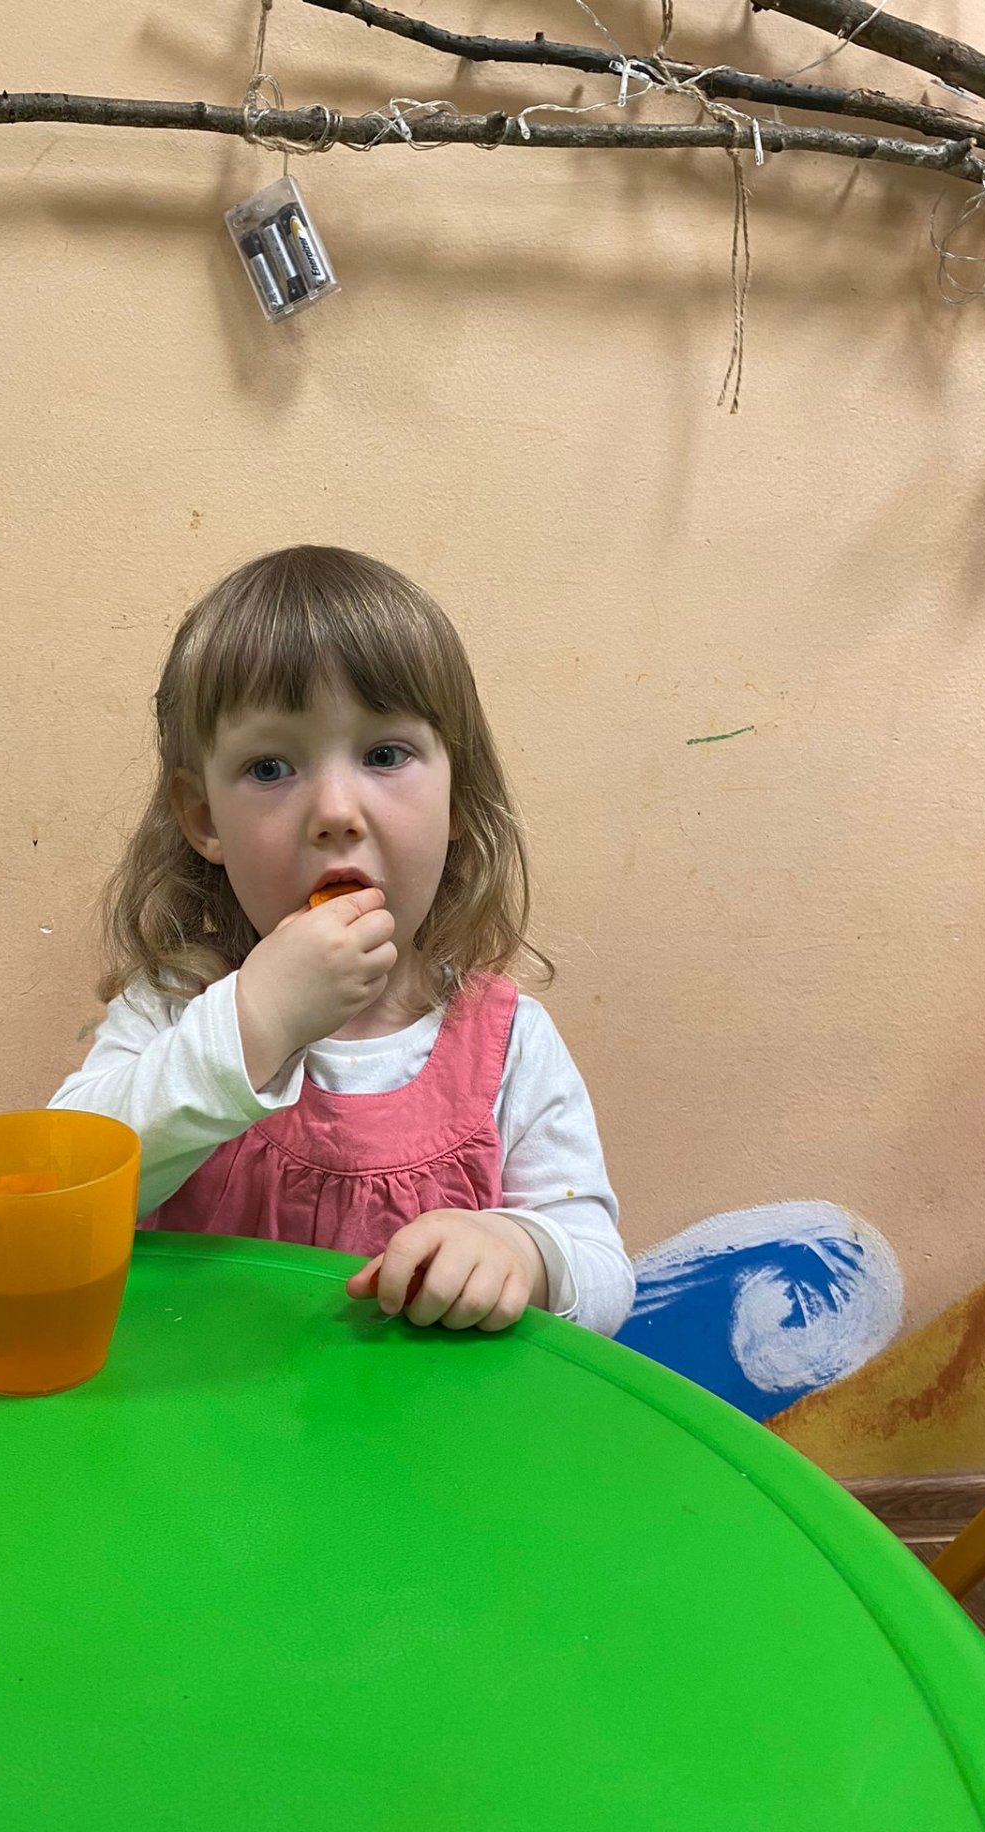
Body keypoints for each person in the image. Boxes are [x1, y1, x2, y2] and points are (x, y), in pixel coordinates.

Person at [50, 546, 634, 1336]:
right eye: (269, 768)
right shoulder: (174, 1009)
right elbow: (61, 1195)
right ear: (204, 820)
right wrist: (254, 1022)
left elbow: (603, 1275)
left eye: (385, 755)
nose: (334, 811)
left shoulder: (508, 1043)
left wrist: (522, 1252)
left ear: (458, 799)